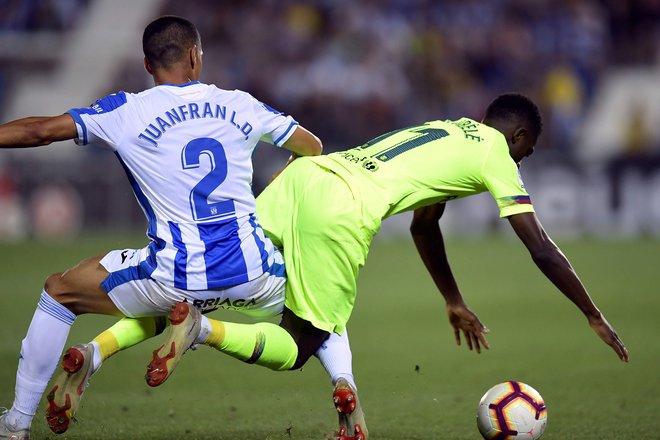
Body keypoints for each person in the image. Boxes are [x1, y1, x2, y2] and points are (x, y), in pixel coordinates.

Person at [80, 93, 628, 440]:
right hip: (341, 210)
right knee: (302, 339)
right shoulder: (496, 154)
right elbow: (540, 247)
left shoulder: (450, 129)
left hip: (304, 175)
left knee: (213, 279)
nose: (524, 160)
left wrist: (453, 299)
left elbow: (423, 225)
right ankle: (201, 332)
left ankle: (96, 352)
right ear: (521, 137)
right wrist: (592, 313)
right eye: (527, 152)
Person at [0, 15, 358, 440]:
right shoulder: (240, 103)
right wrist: (277, 189)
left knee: (59, 291)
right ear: (195, 56)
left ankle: (17, 424)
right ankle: (344, 382)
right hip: (254, 275)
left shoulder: (125, 111)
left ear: (148, 66)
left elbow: (40, 131)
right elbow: (312, 148)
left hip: (173, 278)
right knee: (322, 303)